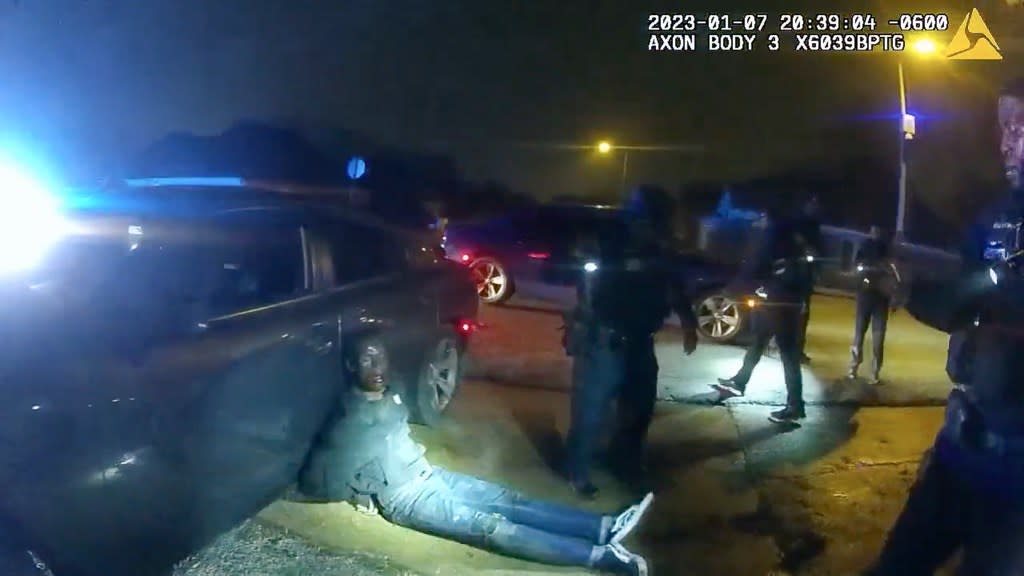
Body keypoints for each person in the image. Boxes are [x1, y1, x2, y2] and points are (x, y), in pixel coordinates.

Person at [301, 337, 655, 576]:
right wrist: (361, 494)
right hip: (405, 499)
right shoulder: (351, 421)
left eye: (381, 357)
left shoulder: (390, 395)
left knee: (508, 500)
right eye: (367, 359)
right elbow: (318, 481)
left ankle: (603, 527)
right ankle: (601, 557)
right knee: (494, 528)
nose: (377, 366)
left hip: (427, 474)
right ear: (351, 365)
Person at [866, 77, 1024, 575]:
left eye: (1020, 127)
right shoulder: (995, 217)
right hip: (959, 456)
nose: (1005, 142)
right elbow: (964, 301)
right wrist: (910, 293)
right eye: (1003, 126)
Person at [562, 185, 699, 498]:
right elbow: (581, 278)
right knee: (591, 410)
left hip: (641, 340)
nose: (658, 226)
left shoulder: (661, 248)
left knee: (639, 409)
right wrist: (581, 322)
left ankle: (624, 463)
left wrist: (689, 322)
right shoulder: (609, 239)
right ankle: (577, 471)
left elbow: (673, 285)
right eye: (653, 218)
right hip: (605, 339)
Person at [712, 211, 815, 424]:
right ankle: (740, 381)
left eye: (763, 218)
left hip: (777, 301)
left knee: (787, 354)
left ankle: (795, 405)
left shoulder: (774, 238)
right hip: (785, 301)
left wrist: (733, 288)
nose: (760, 221)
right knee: (759, 341)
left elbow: (756, 265)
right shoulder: (796, 241)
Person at [847, 226, 893, 384]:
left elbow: (857, 268)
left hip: (868, 298)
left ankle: (856, 367)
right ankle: (872, 371)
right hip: (877, 299)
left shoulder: (867, 248)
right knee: (874, 336)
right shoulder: (884, 250)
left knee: (862, 335)